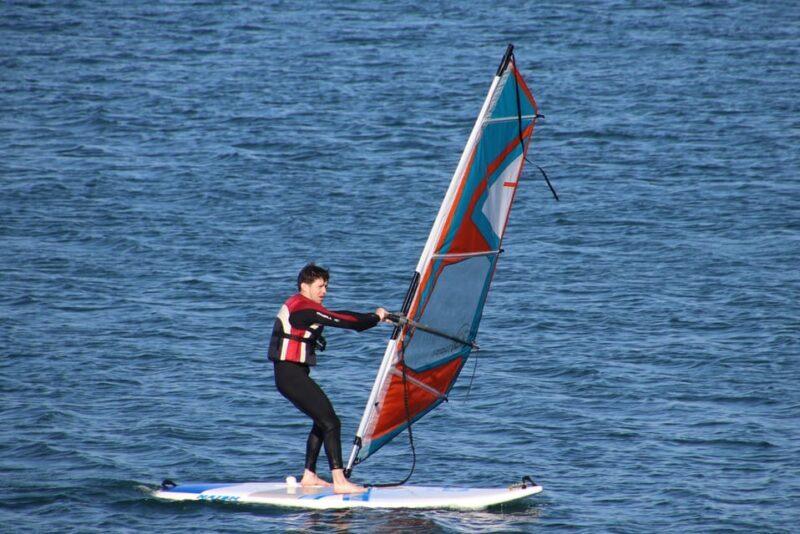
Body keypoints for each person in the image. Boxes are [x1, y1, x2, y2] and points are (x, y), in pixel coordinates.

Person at [268, 263, 387, 494]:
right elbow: (347, 322)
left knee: (322, 420)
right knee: (332, 422)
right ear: (305, 286)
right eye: (320, 286)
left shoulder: (302, 306)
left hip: (291, 374)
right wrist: (376, 317)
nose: (324, 291)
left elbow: (340, 314)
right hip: (290, 375)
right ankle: (340, 481)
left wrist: (376, 318)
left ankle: (309, 475)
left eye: (326, 286)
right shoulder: (304, 310)